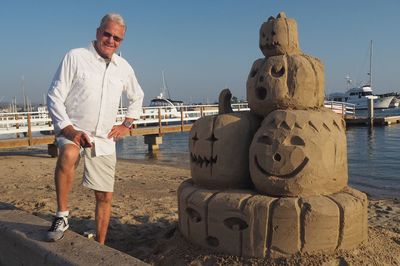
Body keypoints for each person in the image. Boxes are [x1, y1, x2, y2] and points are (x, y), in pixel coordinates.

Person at [46, 13, 144, 244]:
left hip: (104, 138)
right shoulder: (76, 57)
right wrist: (68, 130)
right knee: (69, 154)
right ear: (98, 32)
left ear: (122, 41)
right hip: (73, 130)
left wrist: (126, 124)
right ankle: (62, 216)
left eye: (117, 38)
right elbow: (54, 96)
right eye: (107, 34)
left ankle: (100, 244)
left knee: (105, 196)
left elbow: (137, 96)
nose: (111, 40)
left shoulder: (123, 67)